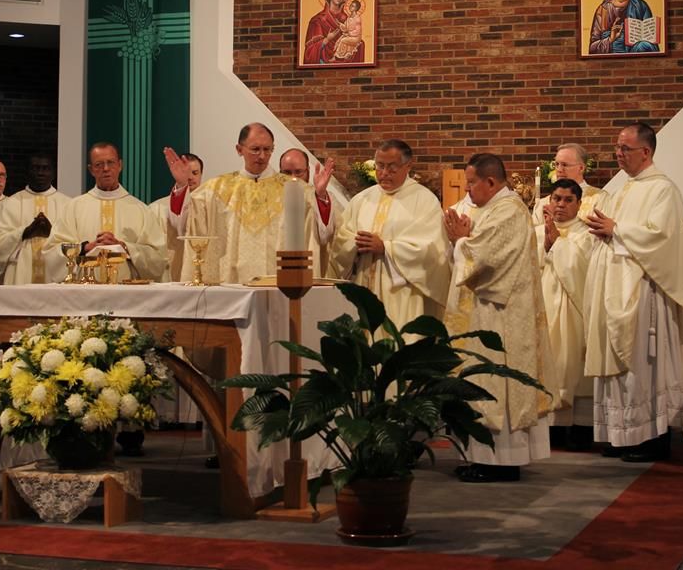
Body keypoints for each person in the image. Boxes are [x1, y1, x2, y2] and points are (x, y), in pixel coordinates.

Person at [443, 153, 560, 482]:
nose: (467, 190)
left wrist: (460, 240)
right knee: (482, 378)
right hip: (487, 311)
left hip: (501, 315)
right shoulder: (492, 209)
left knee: (496, 380)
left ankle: (501, 461)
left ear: (491, 182)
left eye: (471, 183)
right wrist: (463, 240)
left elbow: (485, 258)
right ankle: (481, 457)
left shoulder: (508, 211)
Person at [584, 122, 683, 462]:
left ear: (645, 152)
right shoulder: (625, 189)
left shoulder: (663, 190)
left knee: (643, 366)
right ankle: (623, 434)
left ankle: (652, 438)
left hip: (645, 293)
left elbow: (662, 237)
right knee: (620, 366)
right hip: (617, 287)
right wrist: (603, 231)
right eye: (617, 148)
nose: (618, 154)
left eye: (625, 149)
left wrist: (616, 230)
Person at [162, 123, 332, 282]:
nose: (262, 156)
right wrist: (182, 186)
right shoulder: (216, 189)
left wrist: (320, 196)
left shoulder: (295, 190)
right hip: (231, 283)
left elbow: (323, 234)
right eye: (255, 149)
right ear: (239, 149)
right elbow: (184, 226)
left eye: (267, 149)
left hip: (280, 282)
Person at [329, 139, 449, 336]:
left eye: (392, 168)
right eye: (380, 166)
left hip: (400, 294)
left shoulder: (425, 201)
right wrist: (354, 243)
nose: (384, 173)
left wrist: (386, 248)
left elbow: (432, 251)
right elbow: (341, 238)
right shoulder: (362, 199)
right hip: (363, 287)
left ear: (408, 166)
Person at [43, 143, 166, 281]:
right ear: (91, 170)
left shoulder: (140, 209)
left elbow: (158, 258)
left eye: (110, 162)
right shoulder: (73, 208)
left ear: (120, 165)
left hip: (126, 290)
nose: (106, 169)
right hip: (85, 289)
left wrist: (125, 247)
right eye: (99, 164)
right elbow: (52, 252)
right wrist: (85, 247)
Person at [536, 178, 596, 450]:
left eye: (568, 200)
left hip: (574, 309)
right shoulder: (536, 232)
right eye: (556, 199)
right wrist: (547, 243)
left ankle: (580, 429)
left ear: (579, 203)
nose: (560, 205)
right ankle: (551, 429)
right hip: (544, 306)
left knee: (573, 366)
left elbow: (584, 270)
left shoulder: (587, 234)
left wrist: (557, 245)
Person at [0, 154, 71, 285]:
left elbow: (76, 243)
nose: (40, 173)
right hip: (20, 274)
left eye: (45, 168)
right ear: (26, 173)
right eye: (35, 168)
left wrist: (51, 232)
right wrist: (25, 232)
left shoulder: (67, 204)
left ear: (54, 173)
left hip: (54, 276)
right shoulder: (11, 203)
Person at [148, 152, 204, 283]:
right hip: (168, 276)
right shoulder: (156, 208)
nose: (190, 177)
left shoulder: (210, 207)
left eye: (195, 173)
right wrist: (181, 186)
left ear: (201, 174)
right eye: (185, 173)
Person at [533, 143, 606, 225]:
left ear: (581, 168)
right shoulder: (543, 203)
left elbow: (600, 230)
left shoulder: (600, 198)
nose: (559, 170)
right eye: (557, 164)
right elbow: (534, 231)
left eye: (565, 165)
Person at [303, 0, 363, 65]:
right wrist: (327, 39)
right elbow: (309, 51)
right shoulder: (317, 21)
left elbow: (354, 36)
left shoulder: (347, 18)